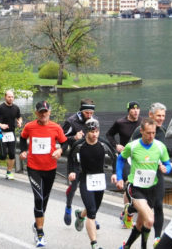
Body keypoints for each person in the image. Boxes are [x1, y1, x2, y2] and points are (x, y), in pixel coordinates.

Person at [116, 118, 171, 249]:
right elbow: (120, 159)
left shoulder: (160, 146)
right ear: (141, 131)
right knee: (150, 220)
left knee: (140, 224)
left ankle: (126, 246)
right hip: (135, 188)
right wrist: (119, 177)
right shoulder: (133, 146)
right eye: (148, 133)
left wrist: (165, 168)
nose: (151, 136)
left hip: (151, 189)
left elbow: (168, 164)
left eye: (153, 133)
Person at [20, 101, 68, 248]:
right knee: (39, 198)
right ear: (36, 113)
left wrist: (60, 151)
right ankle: (40, 234)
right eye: (40, 111)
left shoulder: (56, 127)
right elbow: (23, 137)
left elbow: (65, 143)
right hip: (33, 167)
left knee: (44, 200)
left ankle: (36, 224)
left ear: (49, 112)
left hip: (50, 168)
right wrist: (23, 151)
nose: (43, 114)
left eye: (45, 111)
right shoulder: (30, 126)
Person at [68, 118, 117, 249]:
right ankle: (94, 244)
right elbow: (71, 158)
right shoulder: (79, 145)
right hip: (85, 179)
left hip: (99, 180)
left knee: (93, 208)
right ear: (86, 132)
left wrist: (114, 173)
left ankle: (80, 215)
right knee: (92, 211)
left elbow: (115, 157)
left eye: (96, 131)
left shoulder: (103, 144)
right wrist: (71, 171)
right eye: (91, 131)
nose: (94, 134)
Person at [130, 102, 172, 247]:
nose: (161, 119)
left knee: (158, 205)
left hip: (156, 174)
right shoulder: (139, 131)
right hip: (140, 175)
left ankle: (157, 239)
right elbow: (131, 152)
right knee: (144, 213)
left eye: (163, 116)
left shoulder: (163, 131)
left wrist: (165, 164)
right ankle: (129, 210)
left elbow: (166, 152)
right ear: (151, 115)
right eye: (158, 116)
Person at [106, 101, 143, 226]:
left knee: (138, 186)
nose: (136, 112)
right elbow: (109, 134)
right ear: (129, 111)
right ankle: (127, 214)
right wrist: (116, 145)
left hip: (140, 159)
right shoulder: (120, 123)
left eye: (137, 109)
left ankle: (126, 212)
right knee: (129, 185)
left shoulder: (143, 122)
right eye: (133, 109)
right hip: (126, 157)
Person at [62, 98, 96, 226]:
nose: (90, 116)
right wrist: (74, 138)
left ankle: (91, 216)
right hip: (75, 159)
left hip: (89, 158)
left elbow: (97, 135)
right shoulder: (71, 121)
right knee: (74, 186)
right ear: (81, 111)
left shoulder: (93, 121)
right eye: (87, 113)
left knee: (91, 189)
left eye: (91, 113)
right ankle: (68, 206)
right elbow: (61, 137)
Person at [0, 90, 22, 179]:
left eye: (12, 97)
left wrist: (19, 122)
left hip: (11, 133)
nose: (11, 98)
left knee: (12, 153)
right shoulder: (0, 108)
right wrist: (1, 125)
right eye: (9, 97)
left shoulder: (16, 108)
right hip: (1, 133)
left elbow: (19, 117)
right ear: (5, 97)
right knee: (3, 155)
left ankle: (9, 172)